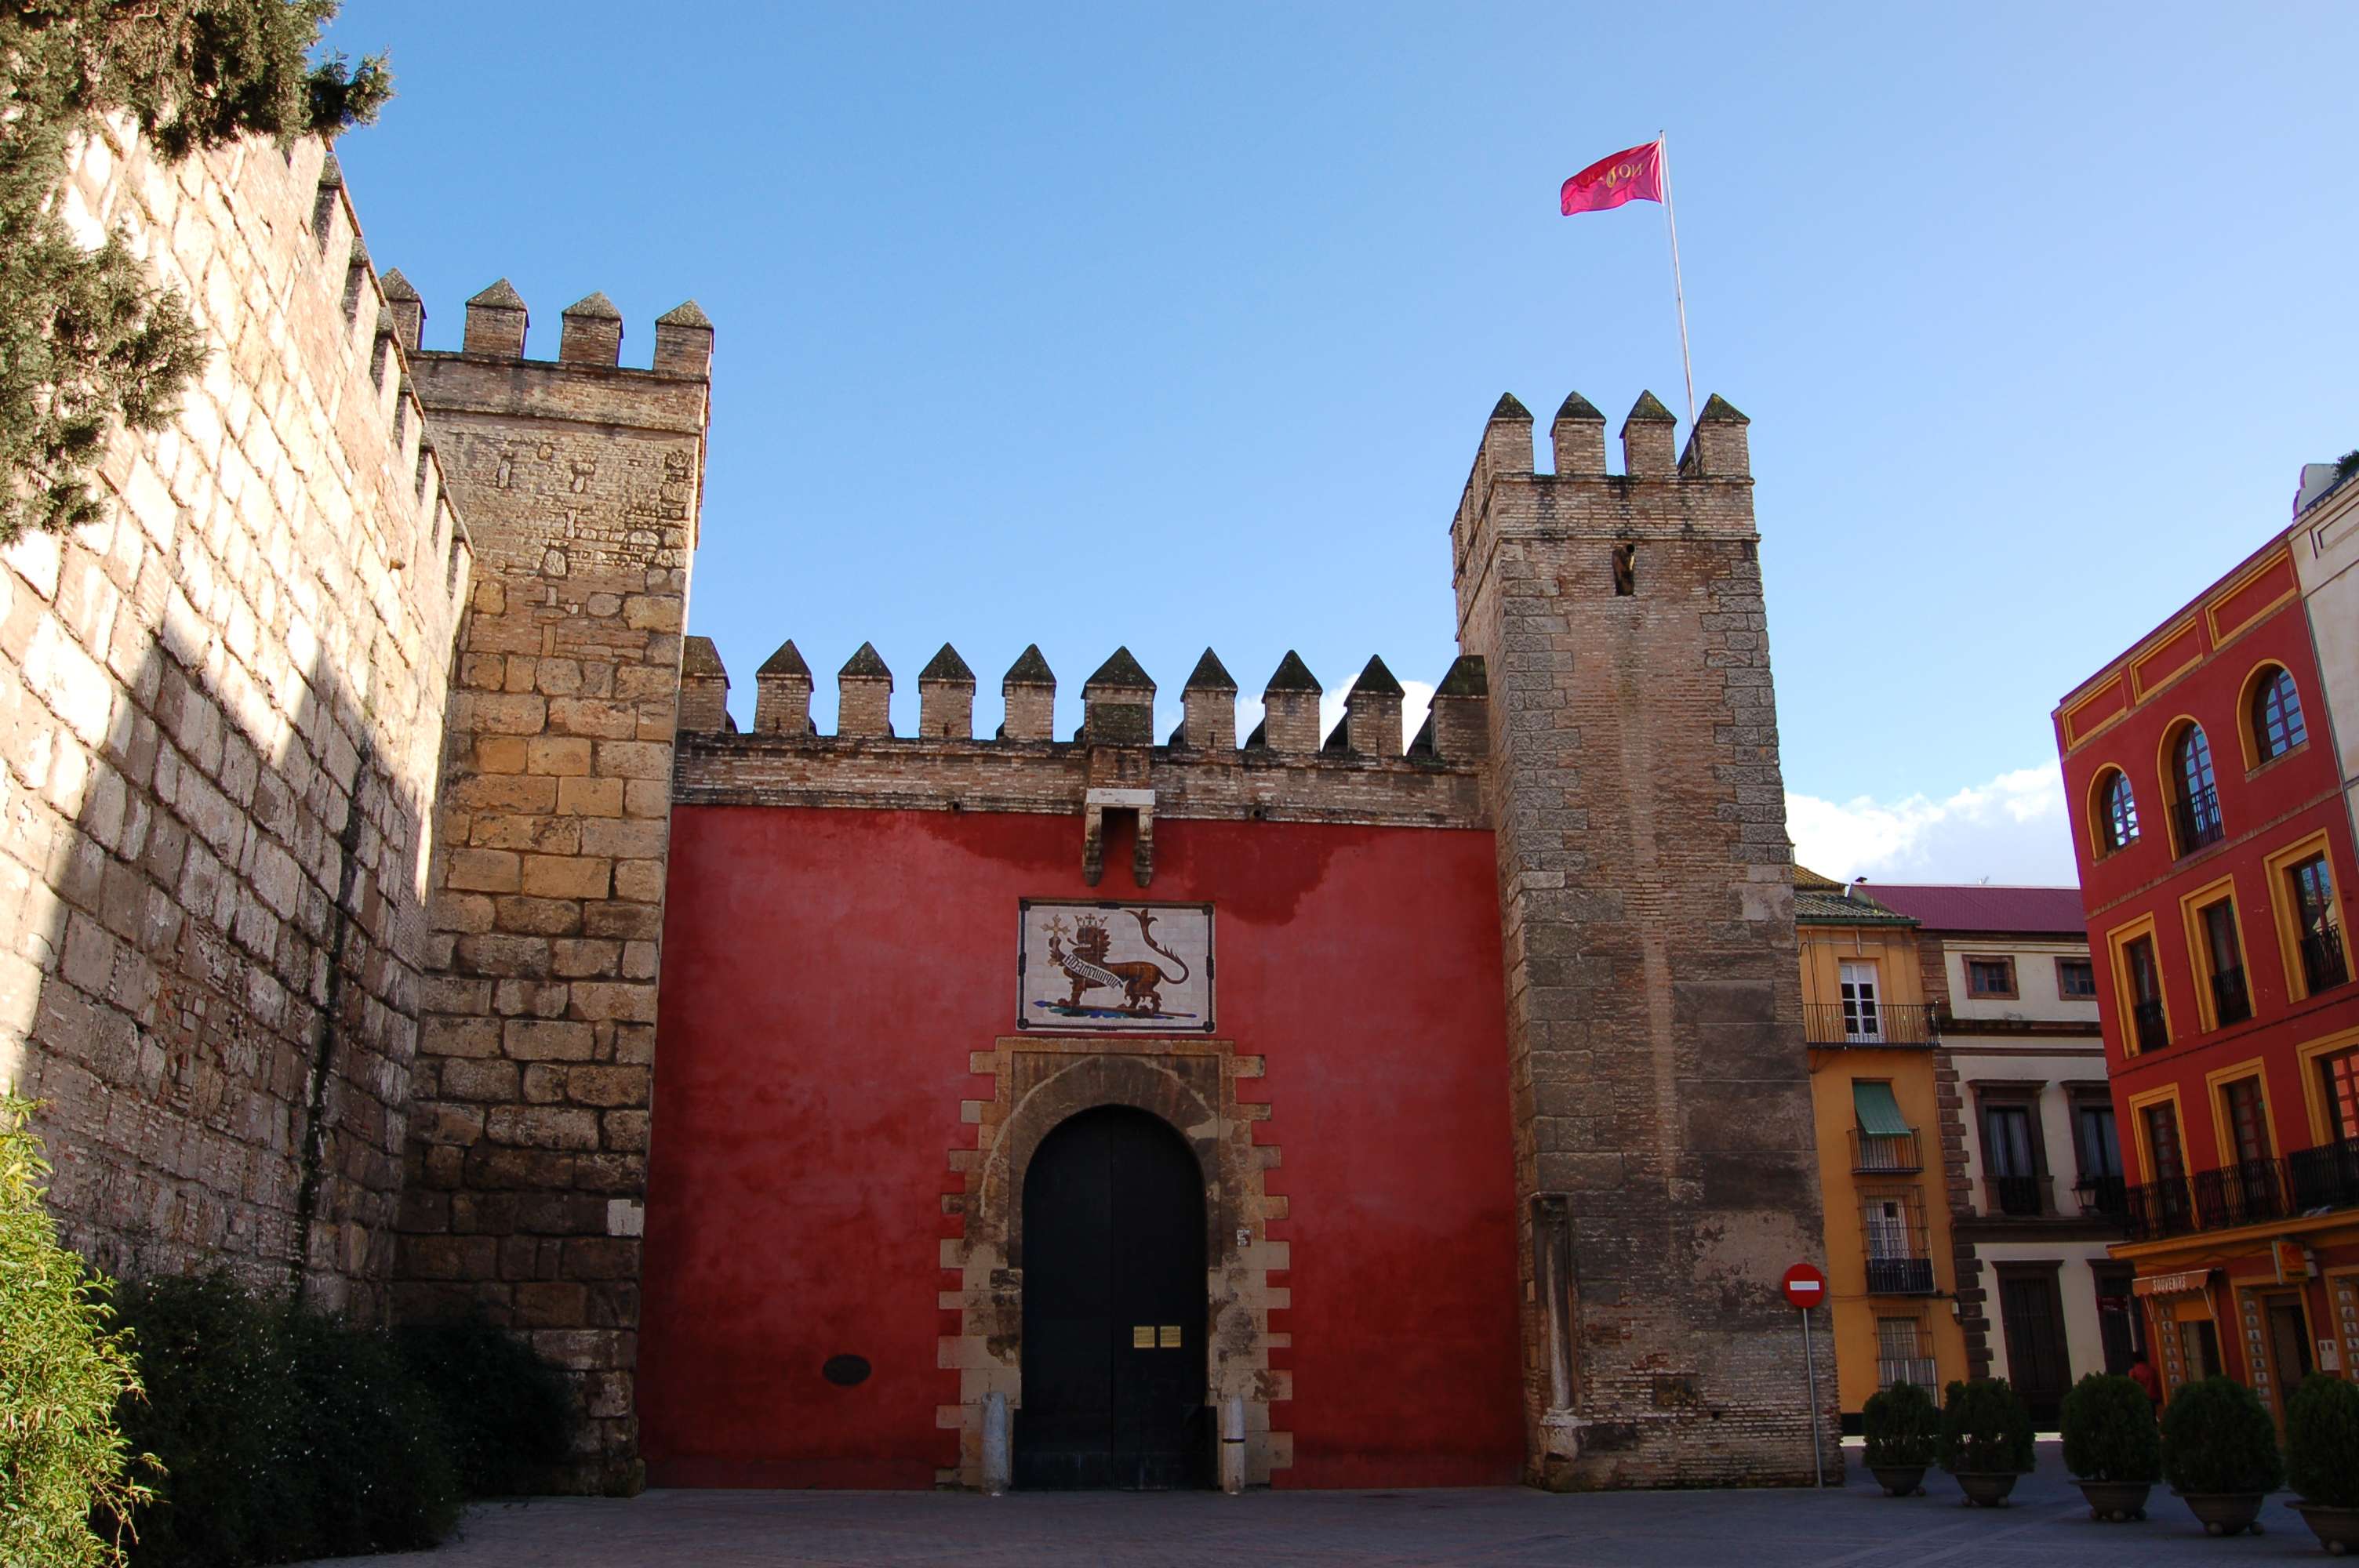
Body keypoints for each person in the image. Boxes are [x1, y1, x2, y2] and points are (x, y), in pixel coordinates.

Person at [2128, 1348, 2162, 1413]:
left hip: (2142, 1397)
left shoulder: (2133, 1371)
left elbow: (2131, 1385)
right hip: (2153, 1396)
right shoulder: (2151, 1369)